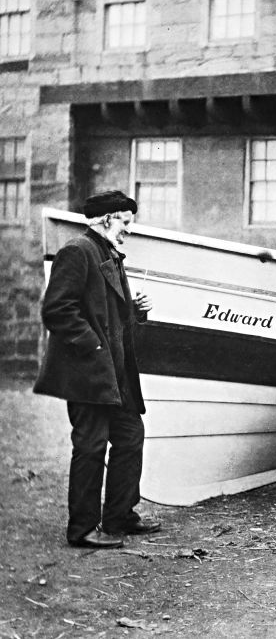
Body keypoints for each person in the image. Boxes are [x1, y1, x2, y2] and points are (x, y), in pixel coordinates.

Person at [33, 190, 161, 548]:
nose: (129, 231)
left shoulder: (109, 254)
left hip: (114, 377)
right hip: (89, 374)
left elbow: (113, 317)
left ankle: (119, 517)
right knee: (90, 447)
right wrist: (95, 346)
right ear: (107, 220)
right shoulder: (78, 250)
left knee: (130, 436)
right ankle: (82, 530)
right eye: (126, 222)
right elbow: (57, 310)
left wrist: (138, 311)